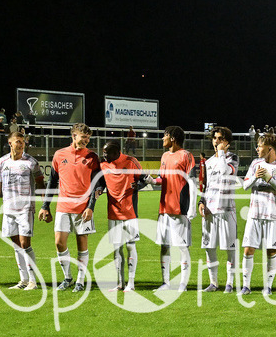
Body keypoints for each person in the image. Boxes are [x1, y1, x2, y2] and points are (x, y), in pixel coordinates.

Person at [38, 122, 102, 292]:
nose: (86, 141)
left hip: (83, 208)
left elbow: (97, 186)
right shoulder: (59, 155)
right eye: (84, 137)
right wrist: (45, 205)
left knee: (82, 244)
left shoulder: (92, 157)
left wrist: (91, 207)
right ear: (74, 136)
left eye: (88, 138)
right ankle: (68, 277)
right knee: (59, 243)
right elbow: (52, 181)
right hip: (63, 206)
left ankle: (80, 281)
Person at [0, 131, 44, 290]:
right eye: (17, 141)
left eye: (22, 142)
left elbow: (40, 183)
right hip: (8, 208)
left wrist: (44, 205)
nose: (20, 144)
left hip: (25, 209)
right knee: (16, 244)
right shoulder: (1, 162)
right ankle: (23, 280)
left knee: (25, 243)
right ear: (9, 143)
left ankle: (33, 281)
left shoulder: (31, 162)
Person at [240, 131, 276, 295]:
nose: (257, 149)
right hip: (254, 213)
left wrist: (269, 178)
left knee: (271, 251)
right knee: (248, 249)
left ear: (269, 149)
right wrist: (255, 177)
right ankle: (246, 286)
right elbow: (245, 186)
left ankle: (268, 287)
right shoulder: (255, 163)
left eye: (260, 146)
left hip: (273, 215)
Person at [99, 140, 149, 291]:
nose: (104, 155)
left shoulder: (131, 161)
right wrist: (99, 189)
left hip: (129, 212)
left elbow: (145, 179)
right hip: (113, 212)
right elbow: (101, 183)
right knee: (116, 248)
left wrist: (138, 186)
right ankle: (120, 283)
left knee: (130, 245)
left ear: (117, 153)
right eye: (103, 152)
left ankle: (131, 283)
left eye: (107, 153)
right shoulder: (103, 165)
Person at [199, 126, 240, 292]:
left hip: (226, 209)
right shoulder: (208, 162)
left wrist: (222, 153)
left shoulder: (233, 159)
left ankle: (230, 283)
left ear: (227, 143)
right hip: (209, 210)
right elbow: (204, 185)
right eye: (215, 138)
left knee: (229, 248)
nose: (216, 141)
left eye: (220, 139)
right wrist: (201, 202)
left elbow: (225, 171)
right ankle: (213, 283)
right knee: (209, 248)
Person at [155, 125, 195, 291]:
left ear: (172, 138)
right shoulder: (164, 155)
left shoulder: (186, 156)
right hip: (163, 208)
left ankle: (183, 284)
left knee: (181, 246)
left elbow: (192, 182)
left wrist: (192, 208)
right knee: (164, 245)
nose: (162, 138)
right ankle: (166, 282)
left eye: (164, 135)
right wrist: (151, 181)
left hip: (179, 208)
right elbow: (161, 179)